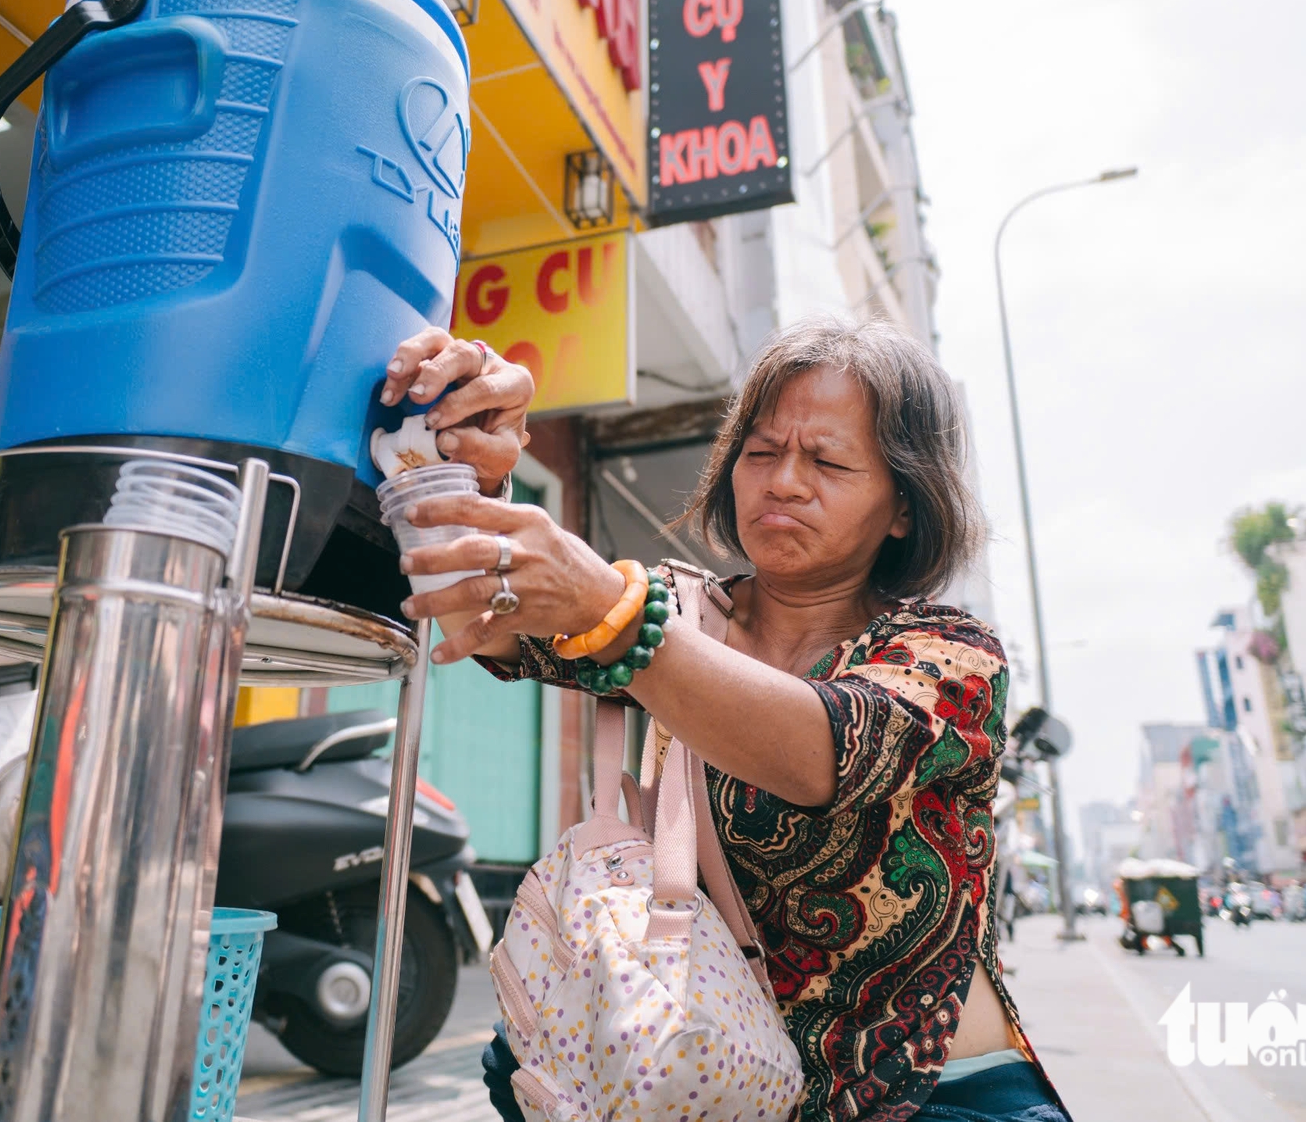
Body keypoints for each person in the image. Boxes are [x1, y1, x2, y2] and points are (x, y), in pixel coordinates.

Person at [388, 318, 1068, 1122]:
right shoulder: (673, 609)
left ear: (903, 509)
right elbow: (486, 610)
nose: (783, 482)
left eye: (829, 461)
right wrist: (461, 459)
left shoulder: (951, 654)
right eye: (760, 452)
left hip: (935, 1098)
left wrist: (609, 611)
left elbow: (828, 748)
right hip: (709, 1086)